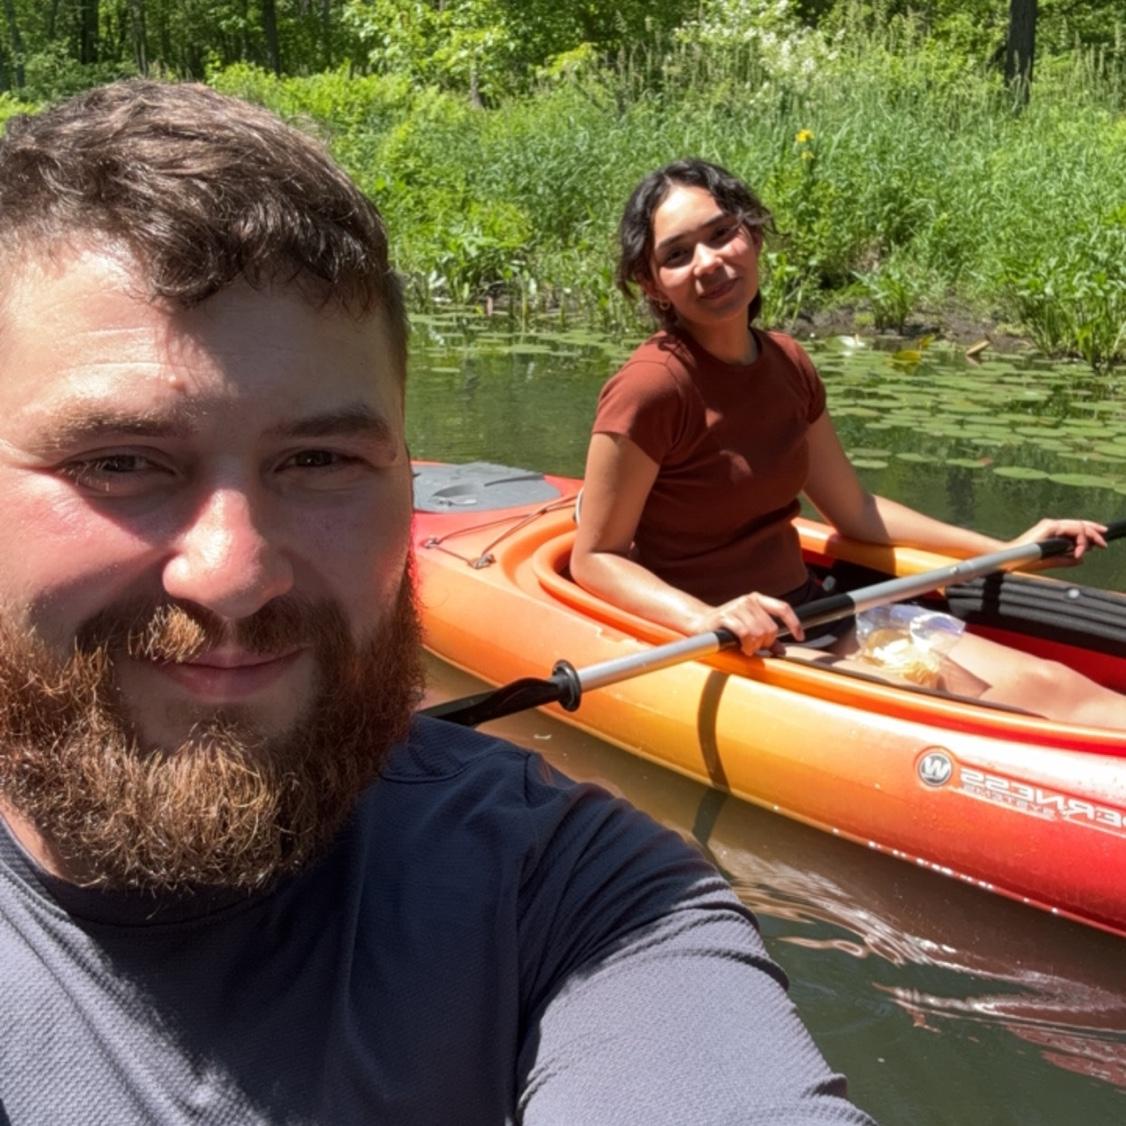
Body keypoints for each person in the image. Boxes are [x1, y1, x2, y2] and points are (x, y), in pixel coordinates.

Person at [0, 85, 877, 1124]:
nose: (234, 574)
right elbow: (598, 551)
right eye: (117, 462)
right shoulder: (651, 387)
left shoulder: (581, 896)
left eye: (319, 460)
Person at [571, 158, 1125, 729]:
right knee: (966, 711)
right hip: (729, 639)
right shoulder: (651, 387)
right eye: (677, 254)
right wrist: (704, 618)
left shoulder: (788, 362)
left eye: (720, 233)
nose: (708, 262)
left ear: (752, 234)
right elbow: (596, 557)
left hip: (815, 611)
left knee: (1053, 686)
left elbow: (855, 510)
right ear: (651, 284)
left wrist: (1006, 548)